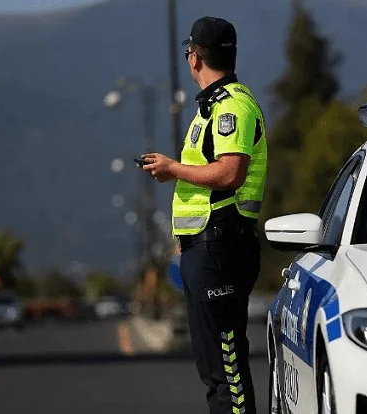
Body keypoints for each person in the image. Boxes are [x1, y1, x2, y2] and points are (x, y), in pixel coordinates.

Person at [140, 16, 266, 414]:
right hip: (206, 250)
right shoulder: (212, 107)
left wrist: (173, 169)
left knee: (227, 370)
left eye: (188, 51)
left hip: (222, 247)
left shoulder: (232, 107)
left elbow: (230, 172)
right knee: (214, 371)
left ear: (194, 58)